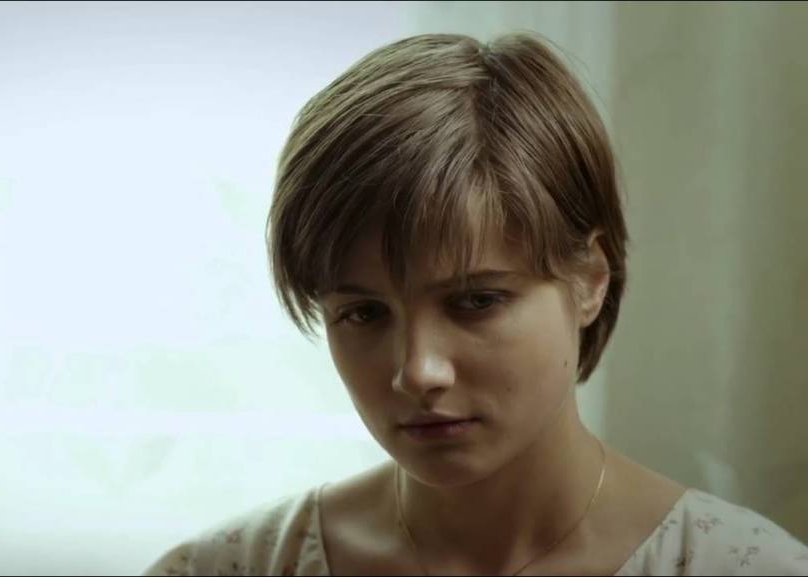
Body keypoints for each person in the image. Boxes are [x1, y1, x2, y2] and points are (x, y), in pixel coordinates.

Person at [143, 33, 808, 576]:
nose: (417, 372)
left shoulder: (740, 566)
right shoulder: (230, 566)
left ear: (589, 280)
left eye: (475, 301)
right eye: (364, 313)